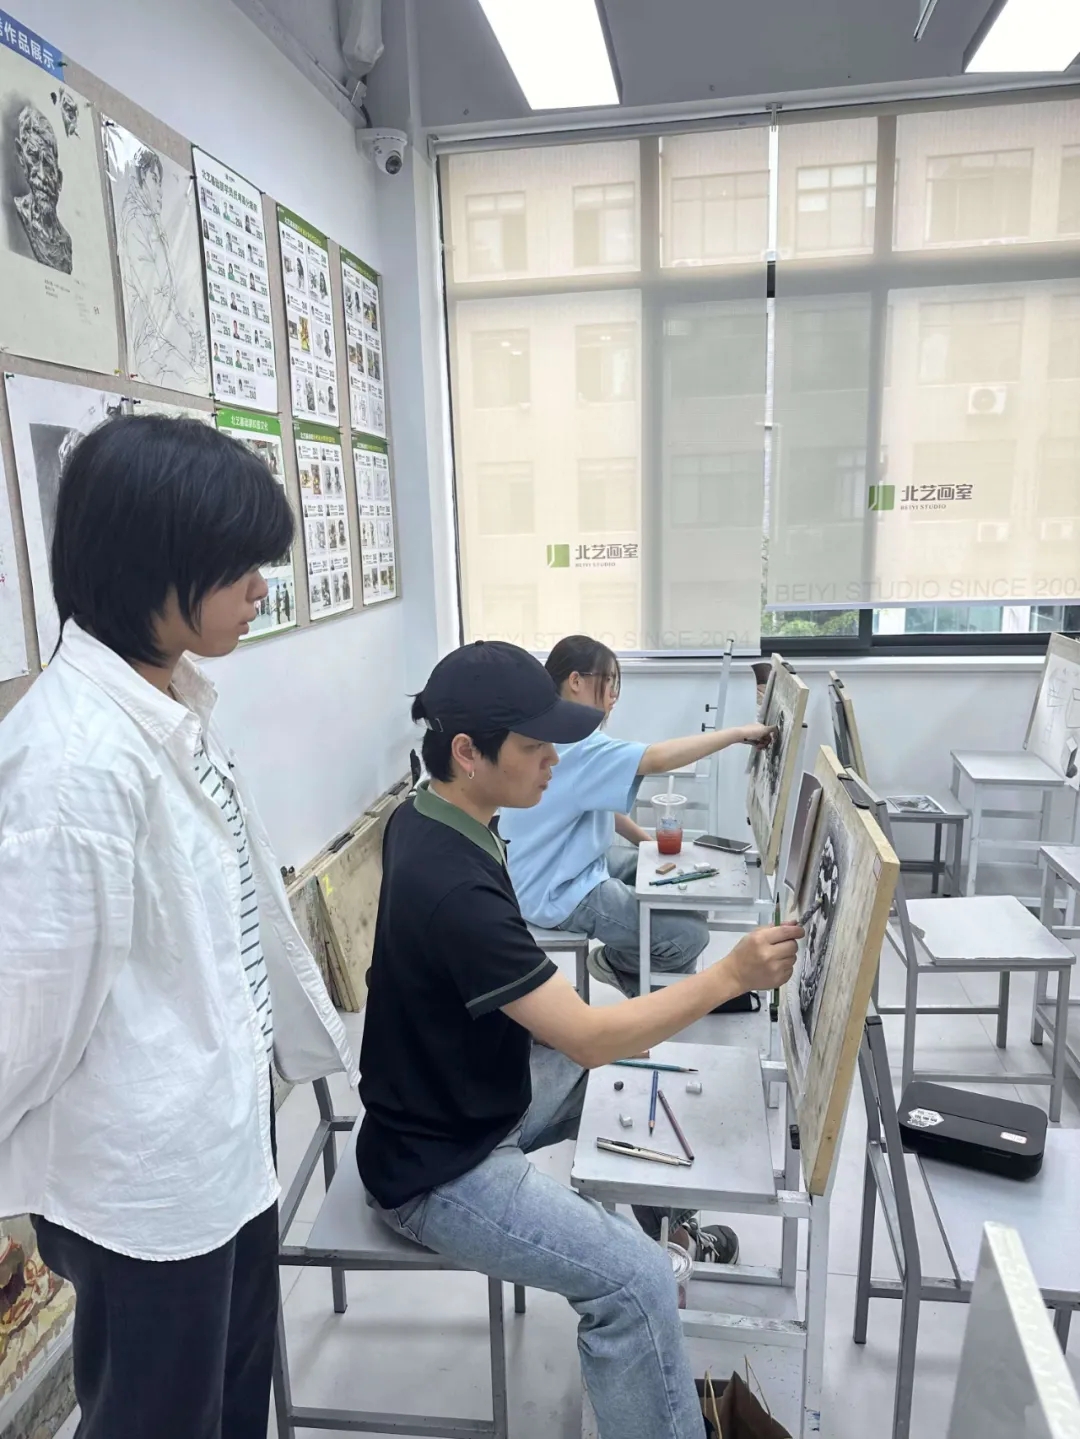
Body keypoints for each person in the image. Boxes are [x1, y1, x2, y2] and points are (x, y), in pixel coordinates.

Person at [0, 416, 356, 1439]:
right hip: (146, 1184)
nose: (260, 590)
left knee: (231, 1403)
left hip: (221, 1143)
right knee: (159, 1418)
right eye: (238, 568)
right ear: (152, 565)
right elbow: (27, 1020)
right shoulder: (72, 765)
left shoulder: (167, 706)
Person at [356, 640, 800, 1439]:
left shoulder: (431, 814)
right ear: (469, 752)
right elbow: (589, 1036)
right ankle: (649, 1276)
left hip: (471, 1098)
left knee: (641, 1075)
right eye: (534, 746)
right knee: (633, 1284)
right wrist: (730, 973)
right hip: (438, 1166)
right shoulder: (453, 883)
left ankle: (673, 1232)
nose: (554, 761)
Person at [500, 634, 775, 1001]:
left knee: (684, 896)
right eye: (608, 681)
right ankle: (619, 967)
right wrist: (737, 734)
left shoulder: (554, 732)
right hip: (557, 889)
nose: (613, 695)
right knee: (690, 935)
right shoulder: (577, 746)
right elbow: (656, 758)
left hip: (564, 864)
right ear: (576, 681)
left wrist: (649, 847)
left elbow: (601, 809)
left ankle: (666, 987)